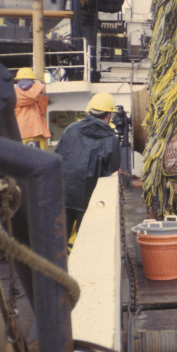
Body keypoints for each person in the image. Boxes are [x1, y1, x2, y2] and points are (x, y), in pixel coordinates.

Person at [55, 93, 121, 251]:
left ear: (89, 111)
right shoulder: (111, 138)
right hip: (88, 198)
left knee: (59, 241)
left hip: (64, 194)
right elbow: (110, 168)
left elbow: (57, 156)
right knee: (85, 243)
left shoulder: (71, 128)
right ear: (109, 115)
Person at [13, 68, 51, 150]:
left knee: (38, 159)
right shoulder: (15, 93)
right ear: (20, 80)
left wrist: (42, 95)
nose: (30, 84)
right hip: (25, 134)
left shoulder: (32, 94)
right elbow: (30, 96)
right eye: (28, 80)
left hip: (36, 133)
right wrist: (38, 85)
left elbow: (43, 112)